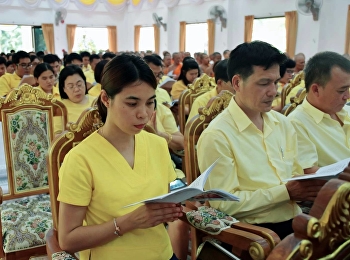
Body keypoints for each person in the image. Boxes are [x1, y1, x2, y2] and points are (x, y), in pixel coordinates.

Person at [57, 54, 182, 260]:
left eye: (150, 103)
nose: (144, 114)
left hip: (162, 254)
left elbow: (161, 209)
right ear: (106, 99)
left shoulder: (158, 145)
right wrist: (129, 222)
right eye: (132, 104)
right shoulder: (80, 159)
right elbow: (68, 240)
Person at [197, 41, 325, 239]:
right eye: (264, 83)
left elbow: (296, 175)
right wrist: (285, 193)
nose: (273, 91)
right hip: (255, 234)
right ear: (237, 83)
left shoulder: (282, 124)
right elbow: (223, 204)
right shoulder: (217, 135)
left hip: (296, 219)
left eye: (275, 82)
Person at [288, 51, 350, 172]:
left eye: (348, 88)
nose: (347, 96)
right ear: (316, 90)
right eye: (342, 91)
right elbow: (311, 173)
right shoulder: (296, 123)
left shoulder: (346, 110)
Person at [54, 65, 95, 134]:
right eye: (71, 86)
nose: (76, 89)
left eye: (79, 84)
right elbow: (57, 135)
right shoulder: (59, 107)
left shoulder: (96, 102)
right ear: (64, 89)